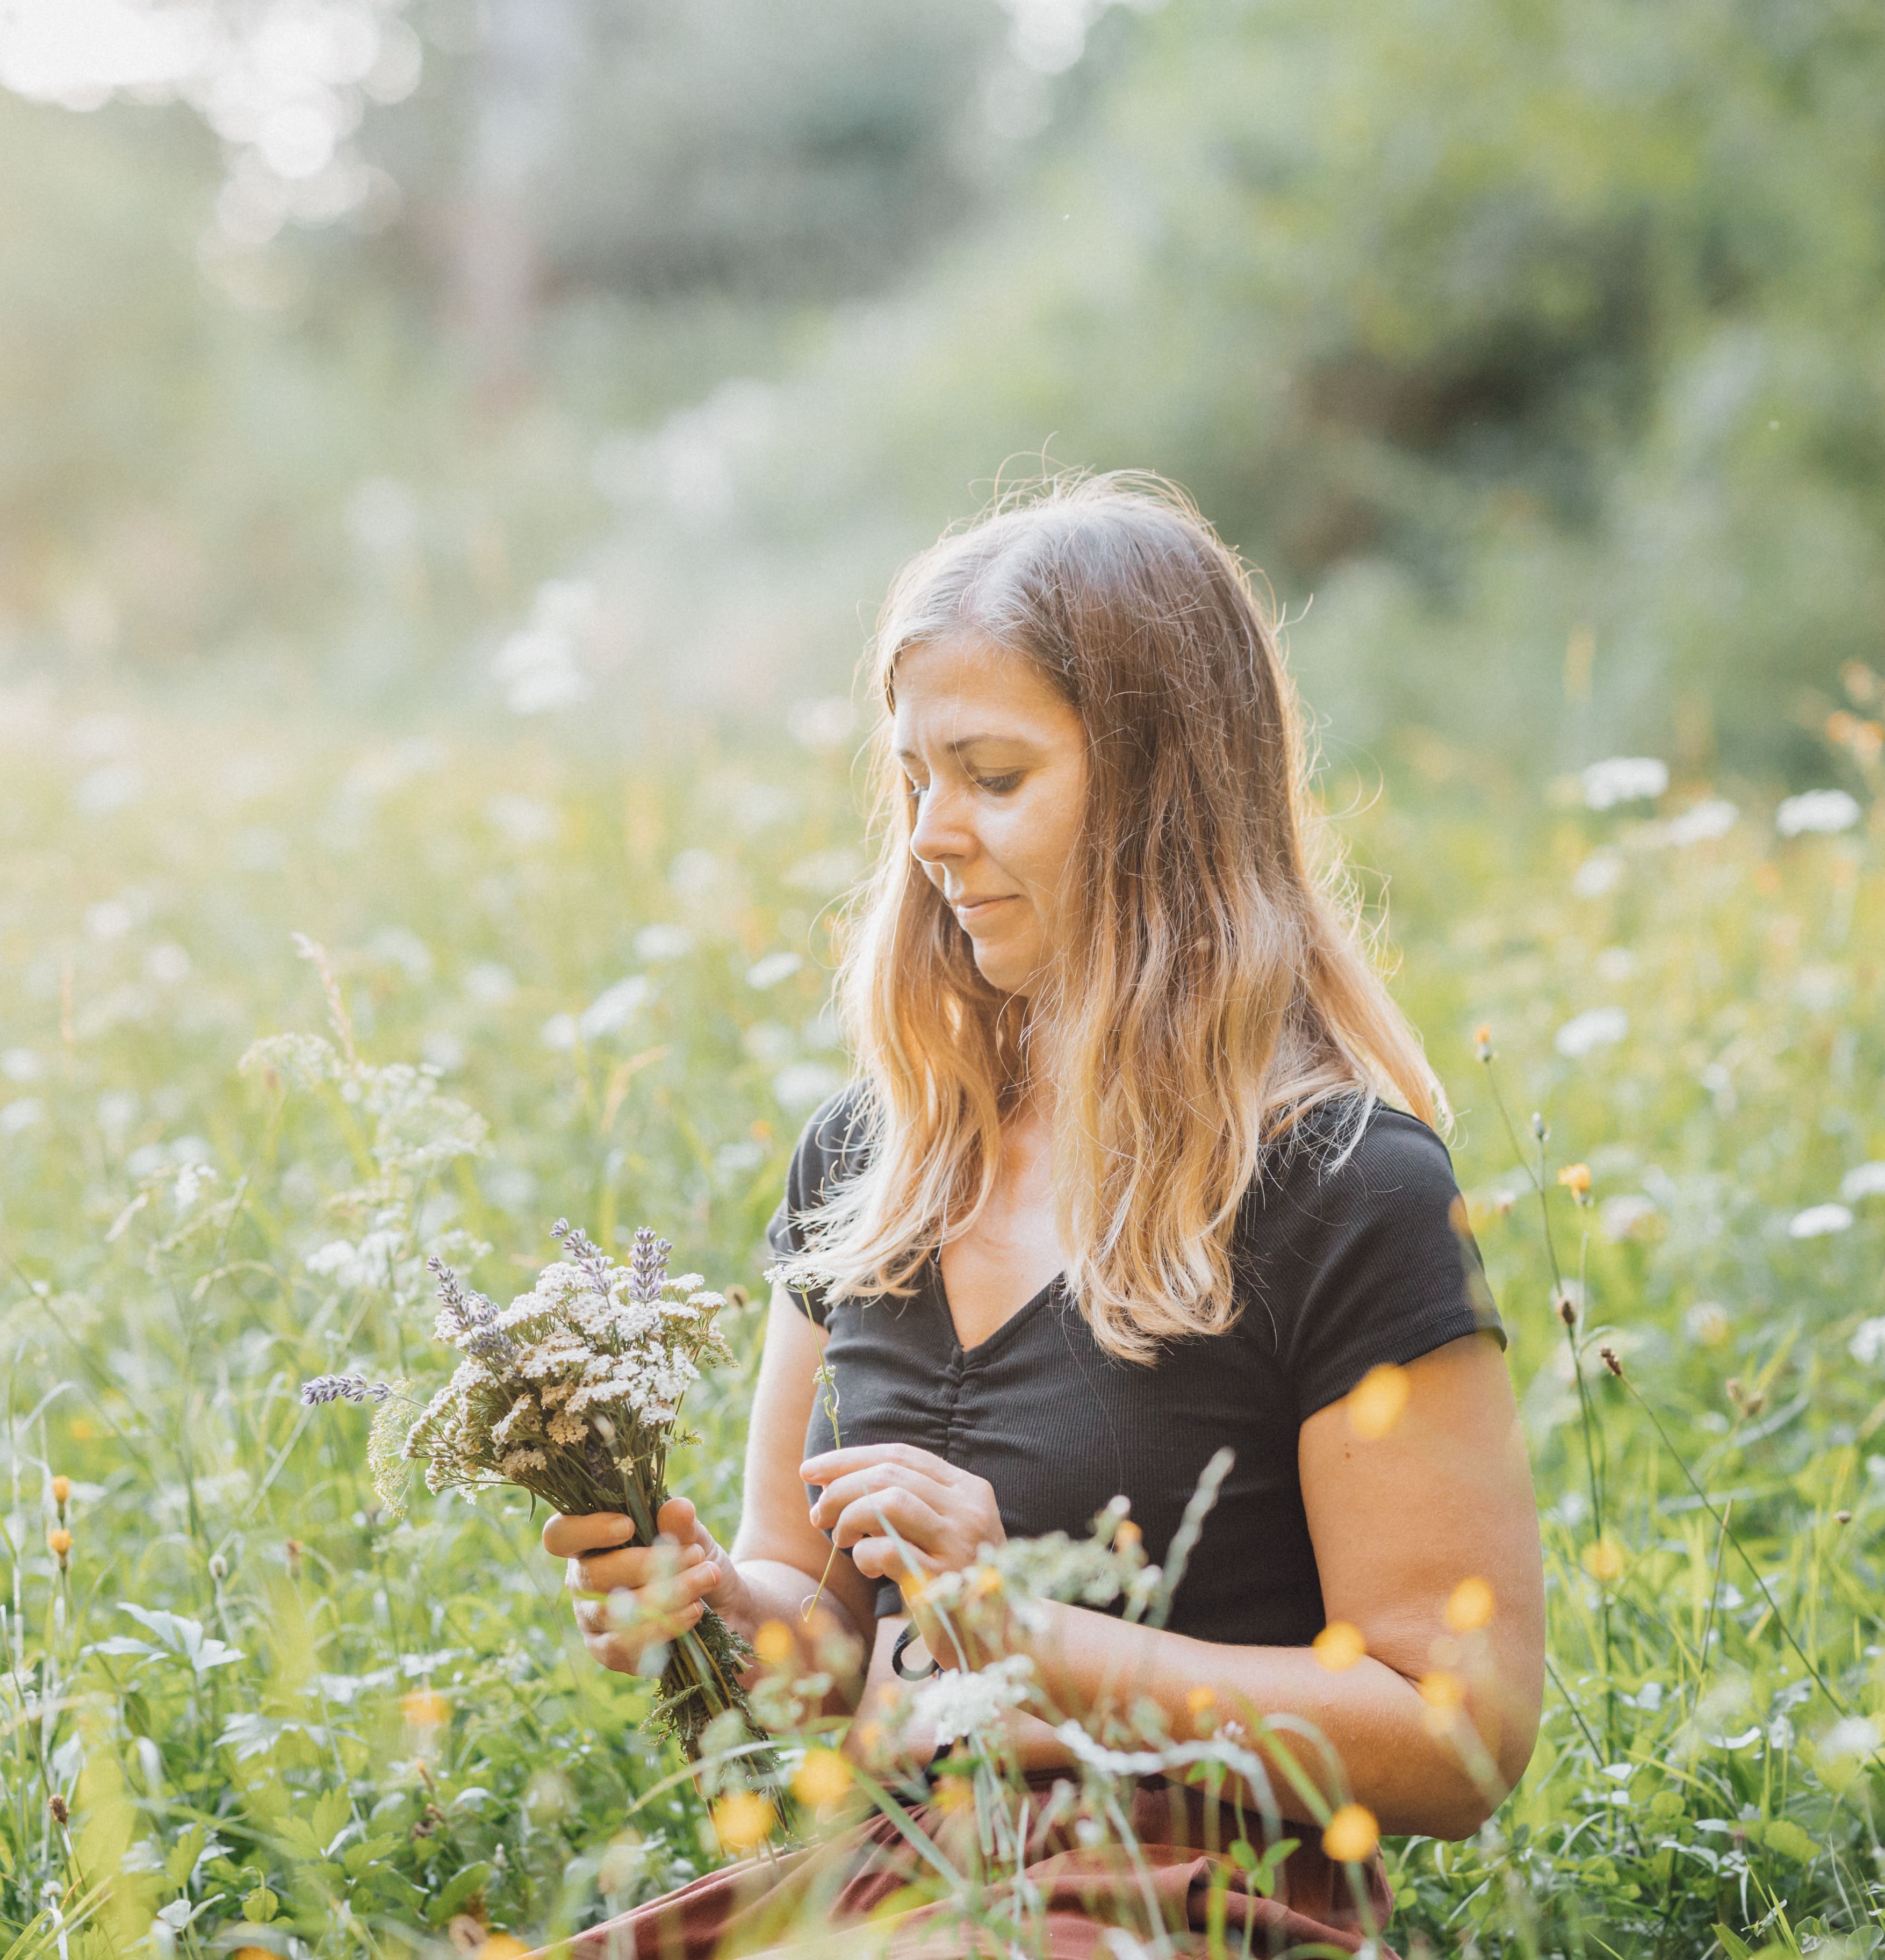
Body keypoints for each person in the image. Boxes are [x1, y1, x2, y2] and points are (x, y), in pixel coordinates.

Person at [539, 473, 1544, 1957]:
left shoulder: (1347, 1189)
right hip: (877, 1886)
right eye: (914, 781)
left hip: (1177, 1900)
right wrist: (703, 1611)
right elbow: (822, 1654)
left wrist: (1037, 1642)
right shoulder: (867, 1167)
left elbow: (1459, 1738)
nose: (934, 835)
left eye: (994, 778)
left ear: (1162, 801)